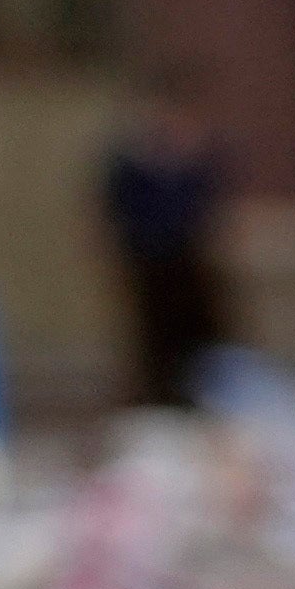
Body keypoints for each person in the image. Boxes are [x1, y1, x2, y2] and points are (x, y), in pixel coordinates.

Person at [99, 75, 238, 417]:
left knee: (198, 337)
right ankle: (157, 402)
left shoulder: (200, 156)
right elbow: (113, 210)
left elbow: (215, 207)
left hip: (189, 261)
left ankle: (205, 398)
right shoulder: (132, 161)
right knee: (153, 339)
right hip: (147, 261)